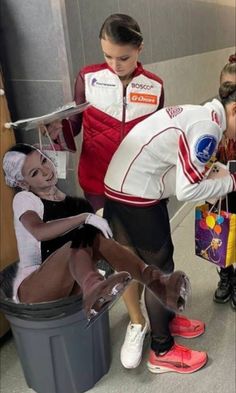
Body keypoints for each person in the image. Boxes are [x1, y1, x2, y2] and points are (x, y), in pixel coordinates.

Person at [103, 81, 236, 373]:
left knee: (159, 264)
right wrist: (232, 181)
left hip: (123, 189)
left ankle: (168, 320)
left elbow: (182, 171)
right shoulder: (209, 130)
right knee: (160, 272)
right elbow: (187, 192)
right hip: (135, 198)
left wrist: (215, 174)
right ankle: (161, 351)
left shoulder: (203, 115)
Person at [2, 143, 190, 323]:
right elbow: (39, 231)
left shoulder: (62, 198)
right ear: (22, 182)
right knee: (82, 234)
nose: (46, 171)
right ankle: (94, 289)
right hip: (33, 290)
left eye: (43, 160)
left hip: (68, 280)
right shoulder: (24, 198)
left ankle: (159, 285)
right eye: (34, 173)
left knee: (92, 236)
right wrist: (84, 217)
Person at [46, 13, 164, 212]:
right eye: (107, 56)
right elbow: (73, 127)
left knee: (134, 242)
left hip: (138, 182)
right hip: (96, 182)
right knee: (106, 239)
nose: (115, 65)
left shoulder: (155, 86)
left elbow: (159, 136)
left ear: (139, 49)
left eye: (123, 58)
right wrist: (57, 129)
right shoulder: (88, 78)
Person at [213, 54, 236, 309]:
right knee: (220, 232)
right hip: (218, 189)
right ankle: (225, 276)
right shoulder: (214, 117)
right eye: (226, 88)